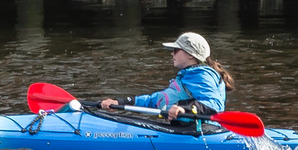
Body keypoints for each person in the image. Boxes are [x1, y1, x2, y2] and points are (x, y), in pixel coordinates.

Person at [90, 32, 235, 120]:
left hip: (197, 133)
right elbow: (155, 100)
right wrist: (119, 102)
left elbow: (215, 104)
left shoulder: (201, 75)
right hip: (183, 131)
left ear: (190, 55)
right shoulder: (187, 76)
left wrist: (184, 109)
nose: (172, 53)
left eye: (175, 50)